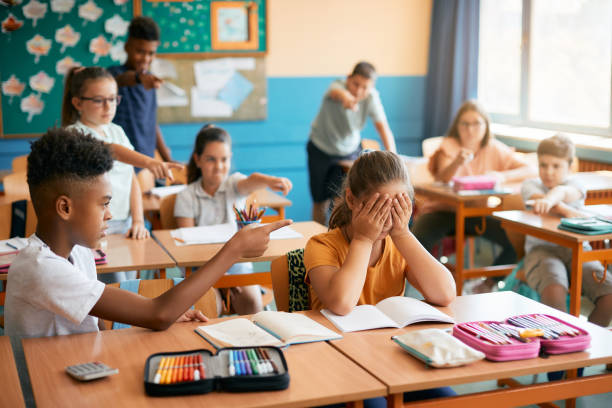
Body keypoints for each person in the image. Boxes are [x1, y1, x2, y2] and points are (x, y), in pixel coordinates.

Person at [4, 127, 291, 339]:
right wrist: (234, 250)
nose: (109, 214)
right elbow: (158, 314)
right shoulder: (41, 268)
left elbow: (99, 321)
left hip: (79, 362)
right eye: (104, 204)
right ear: (65, 208)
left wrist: (154, 314)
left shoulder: (77, 250)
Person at [304, 150, 456, 406]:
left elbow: (444, 293)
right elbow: (341, 303)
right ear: (352, 200)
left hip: (391, 353)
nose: (388, 217)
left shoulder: (398, 245)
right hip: (338, 357)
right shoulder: (321, 245)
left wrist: (404, 234)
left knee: (447, 400)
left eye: (398, 206)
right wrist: (363, 239)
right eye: (379, 206)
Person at [61, 66, 181, 281]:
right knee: (112, 284)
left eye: (113, 99)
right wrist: (150, 162)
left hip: (125, 224)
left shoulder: (117, 131)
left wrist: (137, 220)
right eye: (98, 100)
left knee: (133, 280)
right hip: (94, 228)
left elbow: (131, 178)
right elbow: (111, 151)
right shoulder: (73, 135)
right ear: (78, 102)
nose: (108, 106)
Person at [412, 100, 535, 292]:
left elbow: (529, 168)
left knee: (520, 239)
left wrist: (501, 175)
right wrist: (457, 162)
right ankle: (427, 286)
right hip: (442, 211)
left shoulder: (494, 147)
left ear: (486, 126)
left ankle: (486, 285)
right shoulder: (449, 145)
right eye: (465, 124)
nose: (471, 129)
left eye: (477, 123)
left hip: (476, 213)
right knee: (416, 241)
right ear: (457, 127)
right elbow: (443, 177)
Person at [175, 125, 293, 315]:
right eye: (211, 159)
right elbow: (187, 253)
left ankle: (253, 345)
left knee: (252, 301)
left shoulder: (233, 185)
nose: (219, 166)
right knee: (209, 307)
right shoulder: (186, 196)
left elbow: (251, 180)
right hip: (200, 273)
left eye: (224, 159)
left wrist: (270, 181)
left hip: (238, 269)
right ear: (197, 160)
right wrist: (219, 277)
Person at [521, 134, 612, 328]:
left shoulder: (575, 185)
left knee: (609, 296)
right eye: (543, 165)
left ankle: (586, 345)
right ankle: (562, 345)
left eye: (556, 166)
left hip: (579, 252)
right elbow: (544, 203)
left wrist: (552, 200)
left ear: (570, 167)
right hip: (542, 252)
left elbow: (562, 192)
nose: (548, 172)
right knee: (554, 292)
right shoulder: (530, 185)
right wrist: (568, 210)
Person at [307, 61, 397, 225]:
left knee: (341, 201)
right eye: (355, 84)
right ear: (348, 79)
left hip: (348, 152)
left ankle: (336, 239)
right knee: (320, 202)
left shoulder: (371, 97)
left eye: (365, 87)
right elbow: (337, 93)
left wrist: (393, 157)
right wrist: (346, 98)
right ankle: (319, 241)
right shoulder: (337, 86)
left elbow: (383, 128)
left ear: (372, 87)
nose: (359, 90)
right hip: (320, 149)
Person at [107, 16, 172, 163]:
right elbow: (122, 80)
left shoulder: (150, 82)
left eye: (151, 53)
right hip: (121, 160)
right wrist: (138, 78)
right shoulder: (111, 76)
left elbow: (152, 123)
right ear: (127, 46)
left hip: (147, 160)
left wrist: (167, 159)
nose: (145, 59)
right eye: (140, 51)